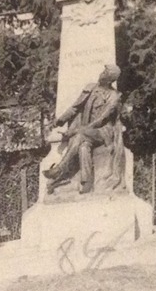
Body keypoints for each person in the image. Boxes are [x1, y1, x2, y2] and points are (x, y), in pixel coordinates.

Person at [44, 64, 123, 194]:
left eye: (105, 73)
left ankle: (59, 169)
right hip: (86, 133)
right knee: (83, 145)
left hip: (102, 132)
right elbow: (75, 107)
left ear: (109, 79)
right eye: (103, 71)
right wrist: (60, 121)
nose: (101, 73)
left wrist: (76, 130)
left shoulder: (114, 96)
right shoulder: (91, 88)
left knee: (80, 134)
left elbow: (101, 120)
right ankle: (86, 183)